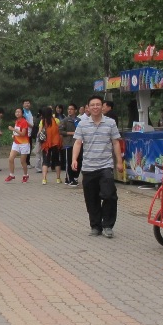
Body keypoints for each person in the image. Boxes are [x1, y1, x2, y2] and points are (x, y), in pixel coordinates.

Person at [71, 95, 122, 238]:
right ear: (88, 107)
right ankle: (95, 226)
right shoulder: (82, 124)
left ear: (102, 106)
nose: (95, 107)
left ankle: (108, 225)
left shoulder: (110, 123)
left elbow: (116, 142)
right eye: (92, 105)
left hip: (105, 166)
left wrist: (119, 161)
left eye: (98, 104)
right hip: (88, 167)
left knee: (109, 195)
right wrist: (74, 159)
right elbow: (78, 142)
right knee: (91, 199)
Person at [38, 106, 64, 184]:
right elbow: (60, 130)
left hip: (46, 144)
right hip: (56, 143)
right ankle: (58, 178)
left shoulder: (42, 121)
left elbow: (40, 132)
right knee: (56, 161)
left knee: (45, 161)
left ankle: (44, 179)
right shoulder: (56, 120)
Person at [4, 108, 30, 182]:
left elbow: (23, 134)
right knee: (11, 158)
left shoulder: (24, 122)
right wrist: (14, 135)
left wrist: (13, 129)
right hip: (16, 143)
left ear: (22, 113)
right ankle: (11, 175)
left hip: (24, 144)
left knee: (22, 161)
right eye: (16, 112)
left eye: (19, 112)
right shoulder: (17, 121)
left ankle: (25, 175)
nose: (17, 113)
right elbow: (17, 132)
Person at [61, 104, 80, 186]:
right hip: (68, 143)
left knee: (78, 160)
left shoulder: (79, 120)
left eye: (71, 109)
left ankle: (75, 177)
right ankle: (69, 178)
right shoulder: (65, 120)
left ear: (75, 110)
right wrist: (71, 133)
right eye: (68, 109)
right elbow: (60, 131)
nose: (69, 110)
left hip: (77, 143)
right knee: (68, 161)